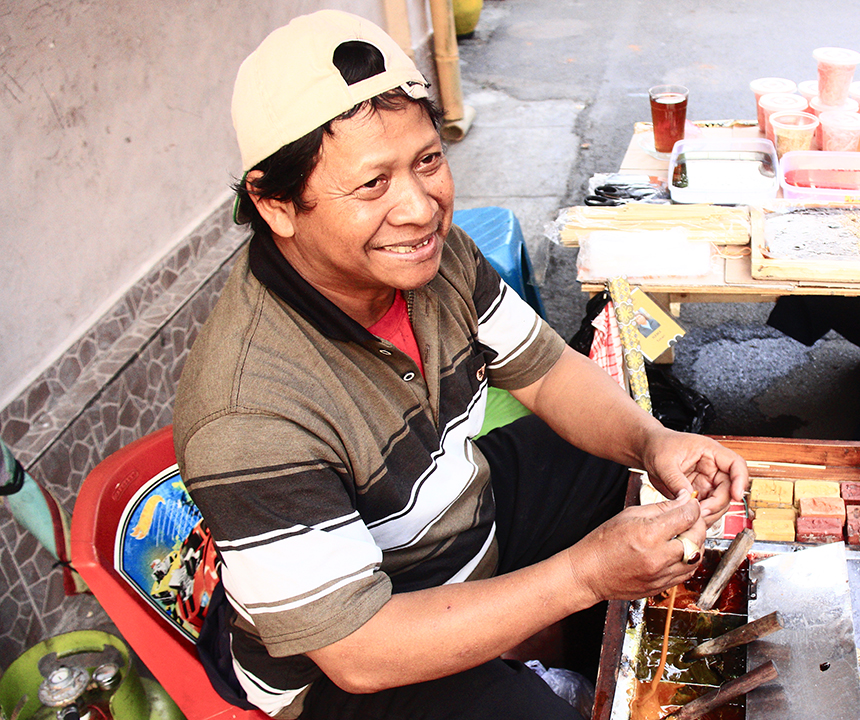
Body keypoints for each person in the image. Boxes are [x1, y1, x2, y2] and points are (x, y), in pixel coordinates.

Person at [173, 10, 748, 720]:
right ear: (275, 203)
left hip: (450, 525)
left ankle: (576, 652)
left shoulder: (434, 261)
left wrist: (652, 442)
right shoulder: (248, 410)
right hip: (348, 662)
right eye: (372, 185)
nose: (420, 208)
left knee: (623, 461)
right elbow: (358, 650)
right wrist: (585, 574)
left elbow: (545, 372)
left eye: (427, 160)